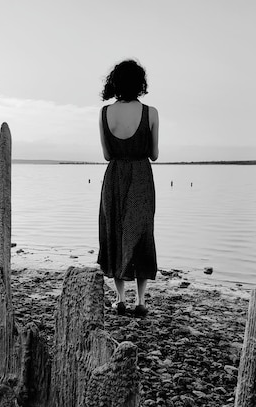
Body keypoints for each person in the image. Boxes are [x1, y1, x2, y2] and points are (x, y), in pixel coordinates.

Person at [97, 59, 159, 316]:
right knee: (142, 234)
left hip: (114, 177)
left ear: (115, 82)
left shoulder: (104, 113)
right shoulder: (151, 113)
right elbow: (154, 154)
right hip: (141, 175)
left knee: (114, 232)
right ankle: (141, 302)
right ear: (140, 83)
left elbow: (107, 154)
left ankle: (120, 299)